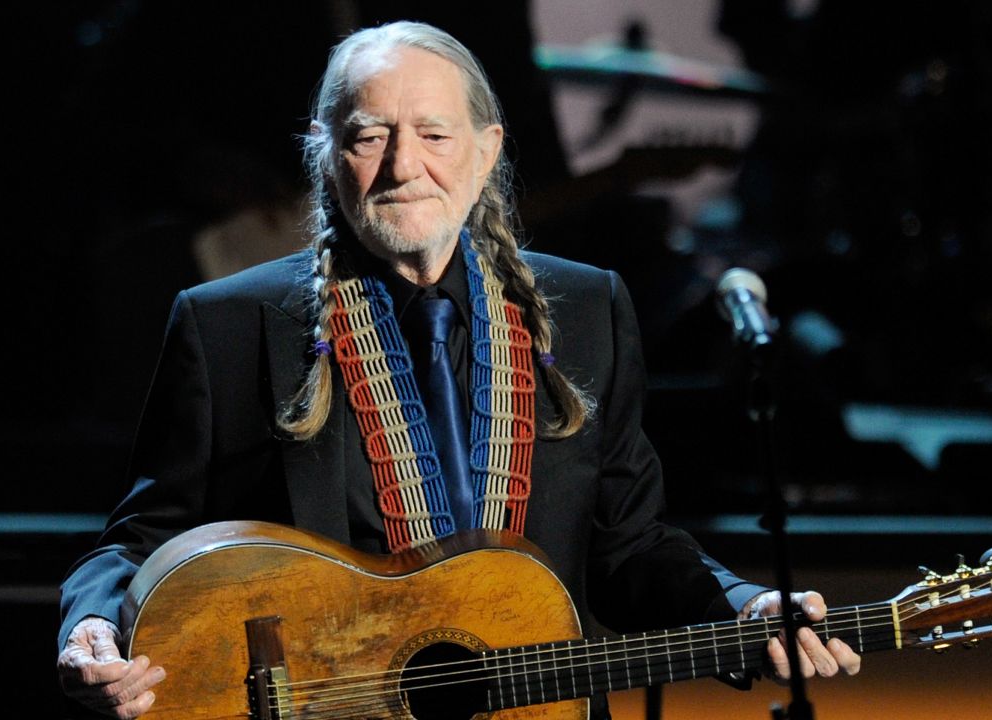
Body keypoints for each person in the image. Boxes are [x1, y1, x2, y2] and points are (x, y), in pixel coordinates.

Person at [55, 20, 861, 719]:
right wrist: (90, 625)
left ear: (487, 151)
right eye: (370, 136)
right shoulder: (230, 324)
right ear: (325, 155)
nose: (405, 166)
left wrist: (746, 606)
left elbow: (631, 545)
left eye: (434, 135)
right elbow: (138, 541)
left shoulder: (586, 311)